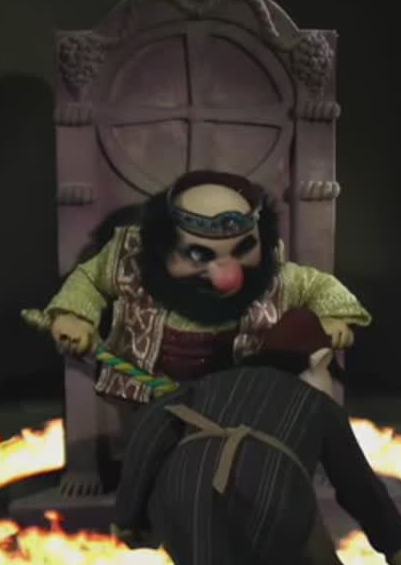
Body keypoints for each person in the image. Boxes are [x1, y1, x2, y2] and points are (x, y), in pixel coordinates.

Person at [111, 308, 401, 565]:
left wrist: (130, 516)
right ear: (318, 363)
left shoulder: (210, 383)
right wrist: (396, 541)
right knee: (273, 563)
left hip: (182, 496)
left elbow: (150, 433)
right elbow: (357, 485)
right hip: (266, 502)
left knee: (203, 508)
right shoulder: (319, 405)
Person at [23, 169, 371, 403]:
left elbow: (320, 286)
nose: (225, 276)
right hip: (151, 398)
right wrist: (74, 315)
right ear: (163, 246)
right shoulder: (128, 261)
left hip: (239, 401)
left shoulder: (274, 276)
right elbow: (88, 280)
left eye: (242, 250)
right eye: (198, 255)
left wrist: (333, 319)